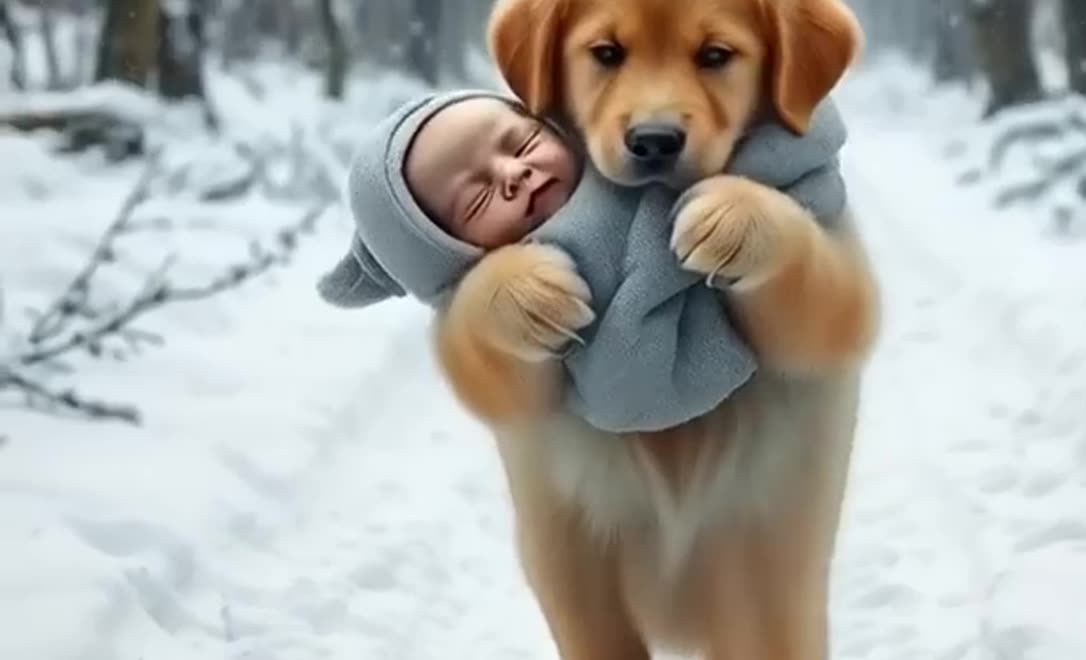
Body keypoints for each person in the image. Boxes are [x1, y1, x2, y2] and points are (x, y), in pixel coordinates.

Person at [317, 87, 850, 434]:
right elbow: (625, 392)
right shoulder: (545, 289)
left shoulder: (614, 132)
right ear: (457, 262)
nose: (513, 174)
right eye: (476, 200)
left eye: (521, 143)